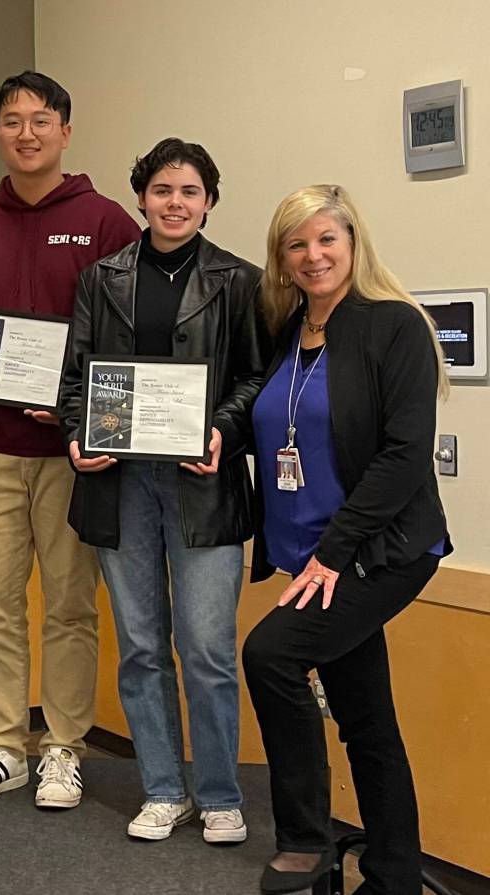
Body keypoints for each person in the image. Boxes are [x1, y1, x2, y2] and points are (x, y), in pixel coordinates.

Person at [60, 138, 270, 843]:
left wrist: (222, 431)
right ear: (141, 197)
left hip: (201, 484)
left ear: (209, 200)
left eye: (189, 191)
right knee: (142, 645)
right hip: (120, 482)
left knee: (207, 647)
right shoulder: (102, 278)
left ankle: (218, 793)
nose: (174, 203)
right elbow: (75, 379)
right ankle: (161, 787)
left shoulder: (240, 280)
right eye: (161, 190)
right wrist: (77, 437)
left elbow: (257, 379)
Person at [242, 184, 450, 895]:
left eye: (326, 239)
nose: (312, 254)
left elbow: (403, 454)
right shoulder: (287, 332)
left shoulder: (396, 326)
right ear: (282, 258)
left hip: (377, 552)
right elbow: (270, 422)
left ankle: (307, 839)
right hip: (309, 553)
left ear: (353, 244)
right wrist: (212, 438)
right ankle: (393, 874)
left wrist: (335, 553)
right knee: (365, 718)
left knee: (269, 654)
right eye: (296, 243)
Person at [0, 71, 141, 809]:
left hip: (71, 456)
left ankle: (62, 744)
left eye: (40, 120)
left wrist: (74, 406)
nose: (26, 133)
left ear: (65, 129)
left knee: (69, 604)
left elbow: (130, 342)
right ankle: (1, 742)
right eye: (11, 121)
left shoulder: (106, 222)